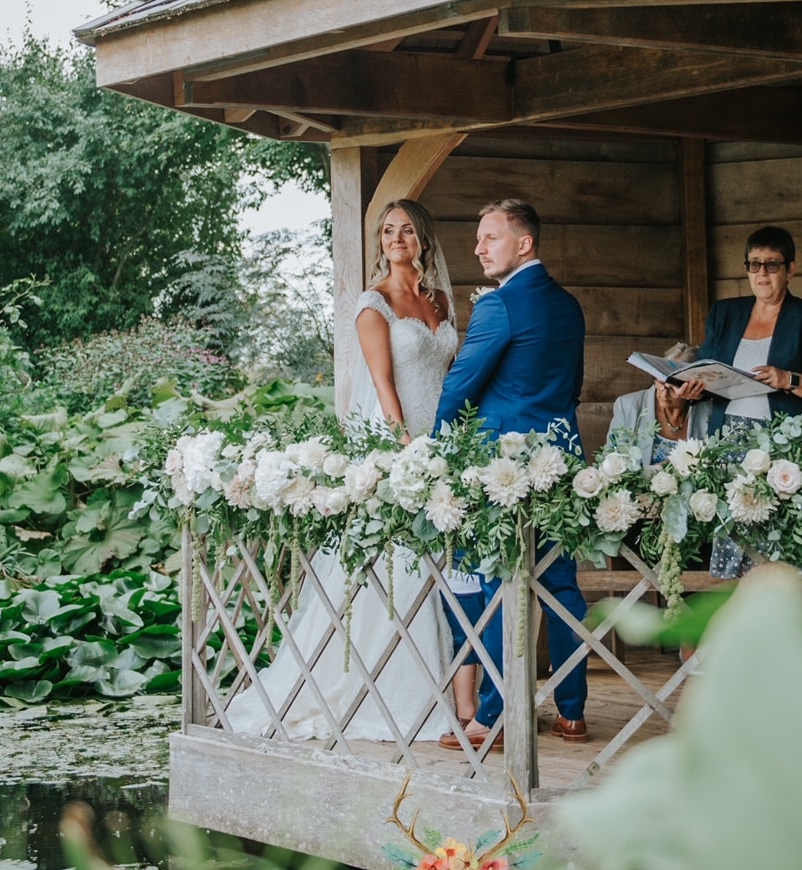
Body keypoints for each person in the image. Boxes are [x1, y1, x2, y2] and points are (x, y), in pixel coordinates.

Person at [224, 201, 461, 743]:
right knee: (398, 559)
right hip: (396, 440)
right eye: (388, 231)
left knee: (436, 560)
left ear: (424, 240)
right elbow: (381, 381)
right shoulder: (373, 303)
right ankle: (390, 688)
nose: (396, 238)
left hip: (442, 437)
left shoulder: (441, 301)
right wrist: (403, 445)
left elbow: (449, 372)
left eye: (406, 230)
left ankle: (448, 685)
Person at [433, 198, 590, 751]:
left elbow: (459, 387)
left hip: (503, 468)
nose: (478, 248)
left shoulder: (499, 305)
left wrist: (437, 452)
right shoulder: (569, 305)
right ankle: (573, 713)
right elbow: (573, 387)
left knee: (500, 584)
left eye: (490, 237)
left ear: (524, 244)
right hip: (561, 461)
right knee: (561, 585)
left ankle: (495, 717)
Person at [675, 226, 802, 577]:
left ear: (791, 270)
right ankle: (735, 605)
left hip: (786, 450)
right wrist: (694, 390)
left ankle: (788, 604)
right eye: (754, 264)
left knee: (781, 555)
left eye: (772, 265)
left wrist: (788, 379)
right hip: (728, 446)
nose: (762, 274)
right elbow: (708, 372)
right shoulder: (726, 313)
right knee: (734, 551)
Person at [607, 342, 712, 466]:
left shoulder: (708, 410)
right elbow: (610, 459)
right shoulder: (627, 406)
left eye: (672, 388)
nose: (663, 394)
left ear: (692, 387)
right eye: (660, 383)